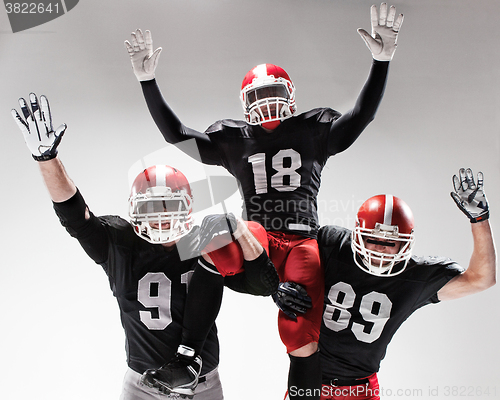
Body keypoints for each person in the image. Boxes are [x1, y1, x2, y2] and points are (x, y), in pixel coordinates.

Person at [125, 3, 404, 398]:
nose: (268, 102)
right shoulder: (233, 138)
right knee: (215, 237)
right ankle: (189, 360)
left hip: (302, 242)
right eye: (259, 95)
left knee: (299, 332)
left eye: (274, 92)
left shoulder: (313, 129)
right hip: (258, 241)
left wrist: (381, 61)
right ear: (243, 103)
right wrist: (147, 81)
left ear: (291, 96)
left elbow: (361, 116)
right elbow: (177, 134)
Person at [12, 93, 279, 400]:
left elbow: (262, 285)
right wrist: (47, 159)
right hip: (143, 386)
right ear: (136, 211)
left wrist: (239, 229)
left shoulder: (205, 242)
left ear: (188, 208)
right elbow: (75, 215)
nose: (162, 218)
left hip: (201, 383)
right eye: (153, 208)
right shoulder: (119, 243)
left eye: (169, 207)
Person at [311, 169, 496, 400]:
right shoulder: (331, 244)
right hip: (307, 378)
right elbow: (283, 259)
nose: (380, 248)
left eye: (390, 242)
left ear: (405, 244)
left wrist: (479, 220)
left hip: (359, 390)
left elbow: (482, 278)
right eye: (372, 239)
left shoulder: (415, 276)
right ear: (357, 234)